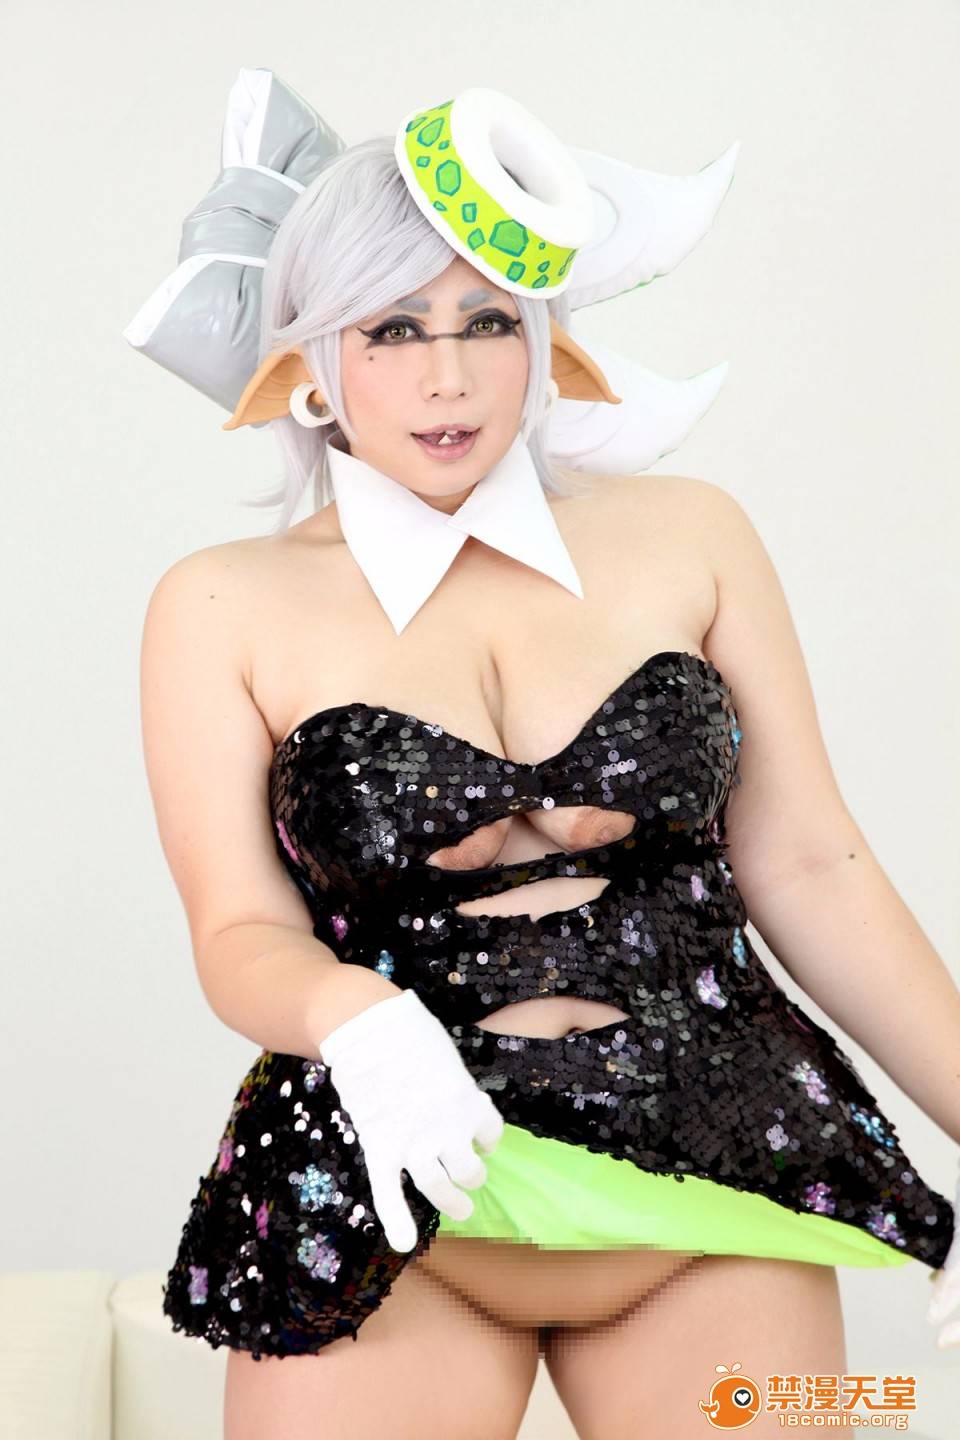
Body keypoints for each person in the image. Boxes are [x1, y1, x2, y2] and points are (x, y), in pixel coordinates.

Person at [130, 70, 960, 1439]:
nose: (448, 378)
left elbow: (815, 865)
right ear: (311, 365)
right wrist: (354, 1019)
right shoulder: (222, 603)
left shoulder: (693, 533)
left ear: (546, 342)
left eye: (487, 321)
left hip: (717, 1185)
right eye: (392, 329)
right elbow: (236, 929)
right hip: (390, 1201)